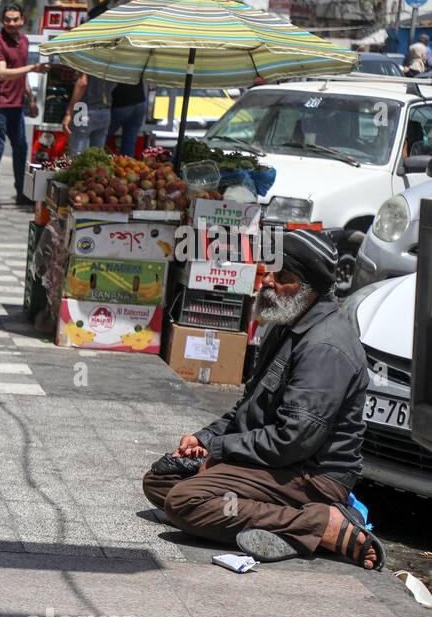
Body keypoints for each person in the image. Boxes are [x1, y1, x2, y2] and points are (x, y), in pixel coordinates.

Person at [142, 230, 384, 571]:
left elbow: (293, 440)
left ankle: (322, 525)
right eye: (269, 271)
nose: (267, 280)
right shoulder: (286, 324)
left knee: (185, 501)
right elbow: (248, 407)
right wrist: (205, 439)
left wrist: (220, 451)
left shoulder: (325, 347)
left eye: (281, 276)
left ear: (308, 286)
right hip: (274, 462)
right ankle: (288, 522)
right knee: (161, 479)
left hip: (308, 476)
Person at [0, 4, 45, 208]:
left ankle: (21, 193)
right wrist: (34, 67)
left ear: (22, 21)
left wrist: (30, 98)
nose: (11, 23)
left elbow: (21, 74)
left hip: (16, 105)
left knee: (21, 148)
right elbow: (2, 73)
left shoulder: (24, 41)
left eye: (15, 19)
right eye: (7, 19)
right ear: (3, 21)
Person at [108, 78, 146, 157]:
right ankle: (127, 165)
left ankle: (93, 165)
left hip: (121, 102)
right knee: (129, 142)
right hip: (140, 101)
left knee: (100, 136)